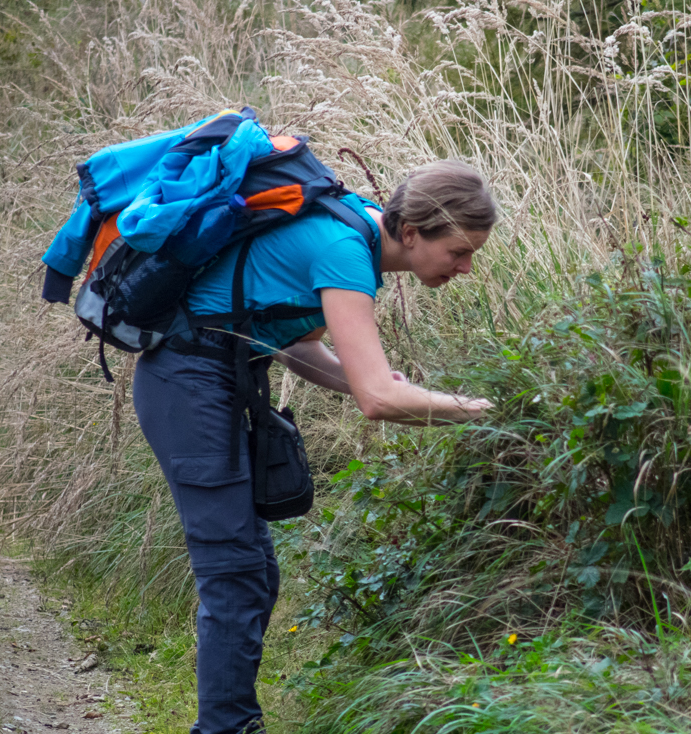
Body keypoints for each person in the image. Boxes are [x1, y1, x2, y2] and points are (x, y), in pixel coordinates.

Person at [131, 160, 497, 734]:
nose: (467, 267)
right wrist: (473, 412)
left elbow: (295, 348)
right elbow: (376, 401)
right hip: (187, 384)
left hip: (213, 381)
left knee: (255, 572)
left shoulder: (351, 231)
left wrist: (378, 382)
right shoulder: (345, 249)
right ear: (410, 233)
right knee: (235, 572)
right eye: (458, 251)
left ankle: (231, 721)